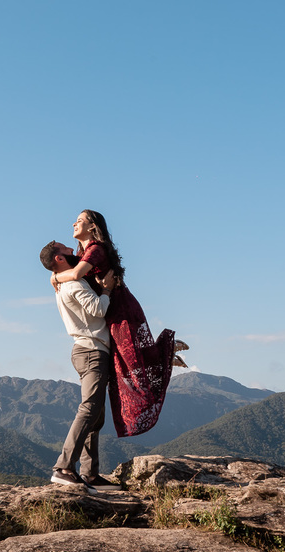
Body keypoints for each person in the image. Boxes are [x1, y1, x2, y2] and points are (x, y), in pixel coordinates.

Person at [47, 210, 186, 439]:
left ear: (92, 226)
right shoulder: (82, 253)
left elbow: (76, 275)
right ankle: (164, 354)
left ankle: (165, 351)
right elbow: (73, 273)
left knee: (128, 359)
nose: (73, 223)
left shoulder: (96, 249)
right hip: (111, 311)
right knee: (123, 360)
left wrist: (53, 278)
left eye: (80, 220)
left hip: (121, 309)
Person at [39, 241, 121, 492]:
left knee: (96, 416)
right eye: (67, 250)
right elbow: (97, 309)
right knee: (89, 410)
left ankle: (90, 474)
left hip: (87, 351)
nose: (74, 252)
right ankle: (64, 468)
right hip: (92, 351)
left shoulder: (63, 283)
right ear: (59, 259)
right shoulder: (74, 284)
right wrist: (106, 290)